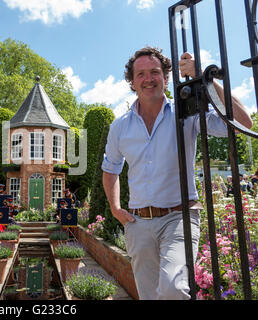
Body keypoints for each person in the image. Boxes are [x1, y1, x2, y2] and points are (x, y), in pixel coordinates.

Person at [101, 46, 252, 300]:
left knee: (173, 289)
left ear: (166, 76)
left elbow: (243, 123)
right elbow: (110, 169)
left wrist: (206, 78)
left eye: (155, 72)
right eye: (141, 74)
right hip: (138, 224)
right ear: (132, 82)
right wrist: (115, 209)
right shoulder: (120, 127)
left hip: (179, 218)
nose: (148, 79)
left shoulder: (187, 114)